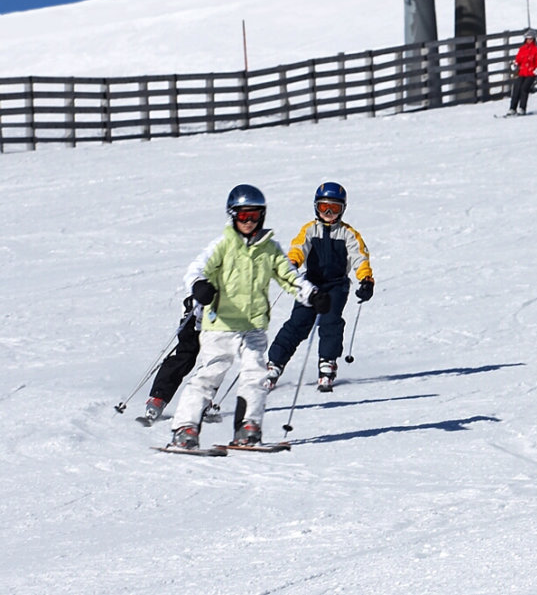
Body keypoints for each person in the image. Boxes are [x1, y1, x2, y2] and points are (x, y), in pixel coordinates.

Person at [169, 185, 321, 450]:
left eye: (254, 215)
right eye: (243, 216)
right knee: (209, 376)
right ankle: (185, 428)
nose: (249, 222)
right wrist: (199, 286)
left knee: (256, 376)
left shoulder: (269, 248)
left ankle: (248, 428)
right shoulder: (224, 245)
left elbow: (289, 277)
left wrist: (311, 295)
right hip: (221, 326)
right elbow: (196, 269)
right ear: (233, 216)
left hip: (253, 327)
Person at [265, 183, 375, 393]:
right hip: (312, 284)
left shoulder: (348, 233)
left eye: (334, 208)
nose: (328, 213)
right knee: (297, 323)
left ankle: (327, 362)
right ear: (316, 207)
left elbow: (360, 257)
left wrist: (366, 279)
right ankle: (274, 363)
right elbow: (298, 247)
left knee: (331, 321)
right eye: (324, 207)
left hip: (337, 284)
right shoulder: (309, 229)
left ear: (342, 209)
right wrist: (293, 263)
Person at [139, 296, 222, 426]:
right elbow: (193, 277)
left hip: (220, 320)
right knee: (184, 357)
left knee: (213, 361)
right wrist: (195, 295)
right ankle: (158, 398)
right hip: (195, 314)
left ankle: (203, 401)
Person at [507, 31, 537, 115]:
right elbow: (519, 59)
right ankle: (512, 108)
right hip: (522, 72)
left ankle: (522, 108)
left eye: (531, 39)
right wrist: (515, 64)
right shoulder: (522, 49)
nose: (529, 41)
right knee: (516, 88)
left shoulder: (536, 50)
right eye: (527, 39)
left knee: (524, 88)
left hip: (531, 73)